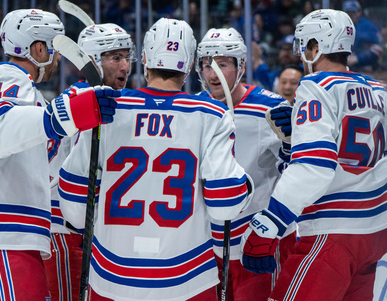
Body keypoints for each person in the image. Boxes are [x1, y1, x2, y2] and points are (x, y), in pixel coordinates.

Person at [0, 8, 120, 301]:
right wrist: (65, 115)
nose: (58, 59)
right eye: (54, 50)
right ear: (38, 48)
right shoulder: (9, 76)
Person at [58, 18, 254, 301]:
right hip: (189, 279)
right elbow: (225, 203)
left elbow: (76, 209)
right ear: (189, 65)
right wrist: (247, 184)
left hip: (111, 277)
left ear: (145, 59)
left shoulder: (106, 109)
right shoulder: (211, 114)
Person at [240, 9, 387, 300]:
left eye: (304, 45)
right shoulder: (376, 89)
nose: (301, 53)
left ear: (317, 47)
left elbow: (314, 166)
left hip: (334, 228)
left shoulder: (315, 86)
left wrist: (269, 223)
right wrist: (300, 137)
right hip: (377, 231)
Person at [197, 27, 295, 301]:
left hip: (257, 241)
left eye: (222, 64)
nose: (212, 73)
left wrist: (291, 146)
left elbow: (297, 169)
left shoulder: (272, 108)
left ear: (241, 66)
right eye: (207, 65)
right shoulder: (195, 108)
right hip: (206, 242)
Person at [45, 22, 135, 301]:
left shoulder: (92, 98)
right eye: (115, 57)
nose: (125, 67)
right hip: (66, 230)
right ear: (94, 60)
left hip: (83, 231)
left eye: (127, 57)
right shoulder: (82, 101)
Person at [342, 0, 383, 71]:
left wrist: (357, 58)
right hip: (345, 69)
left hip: (366, 68)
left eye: (352, 12)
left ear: (359, 12)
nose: (350, 16)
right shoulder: (340, 27)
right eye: (347, 13)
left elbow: (378, 49)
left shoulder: (368, 26)